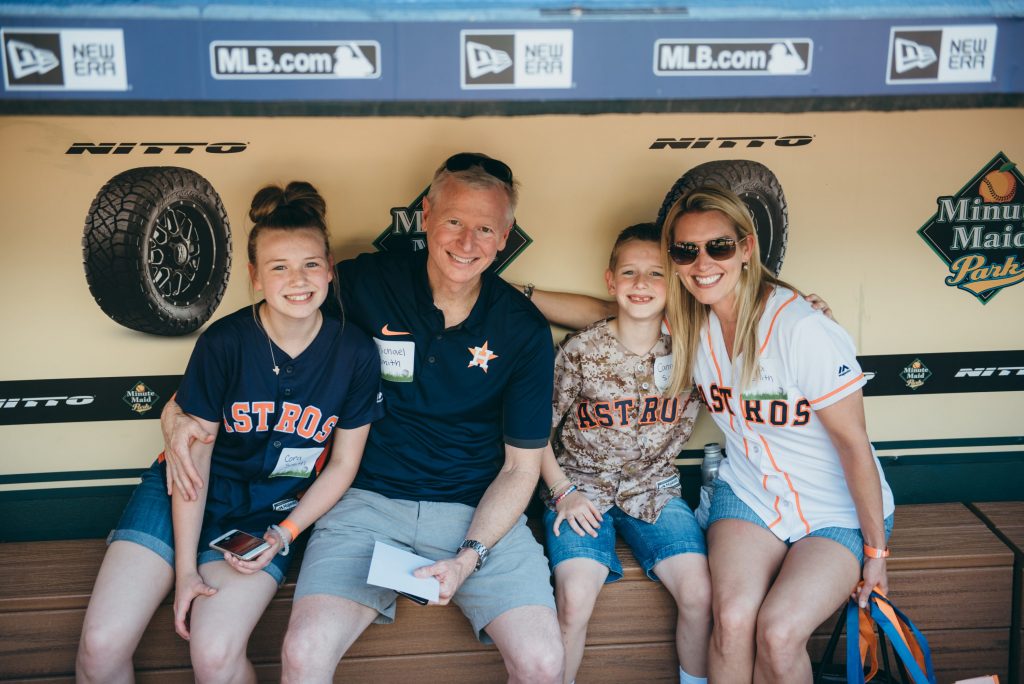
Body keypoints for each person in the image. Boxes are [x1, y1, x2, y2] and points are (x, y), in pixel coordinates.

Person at [160, 153, 564, 684]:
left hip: (478, 511)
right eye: (454, 222)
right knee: (304, 651)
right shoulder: (364, 282)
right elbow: (267, 328)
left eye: (485, 228)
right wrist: (174, 412)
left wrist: (469, 556)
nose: (467, 243)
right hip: (366, 505)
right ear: (425, 217)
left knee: (543, 663)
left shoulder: (523, 328)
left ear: (505, 237)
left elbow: (520, 468)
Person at [76, 181, 384, 683]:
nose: (298, 279)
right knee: (101, 644)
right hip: (181, 491)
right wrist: (185, 576)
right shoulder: (226, 342)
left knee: (215, 653)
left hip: (270, 510)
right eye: (278, 267)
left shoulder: (354, 352)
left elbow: (345, 464)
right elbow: (194, 460)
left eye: (310, 263)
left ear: (330, 268)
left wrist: (283, 535)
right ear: (255, 277)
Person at [661, 185, 894, 683]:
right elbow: (612, 308)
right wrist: (519, 293)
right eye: (686, 250)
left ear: (746, 248)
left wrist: (876, 554)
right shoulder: (691, 324)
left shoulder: (800, 327)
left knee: (779, 631)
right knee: (733, 619)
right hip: (751, 497)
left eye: (718, 247)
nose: (702, 263)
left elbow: (854, 446)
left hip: (836, 513)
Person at [540, 223, 712, 684]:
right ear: (611, 281)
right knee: (574, 596)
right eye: (630, 272)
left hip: (653, 490)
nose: (641, 284)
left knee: (698, 591)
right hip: (580, 490)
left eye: (656, 274)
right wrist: (563, 493)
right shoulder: (579, 351)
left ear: (675, 282)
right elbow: (532, 435)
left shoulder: (698, 349)